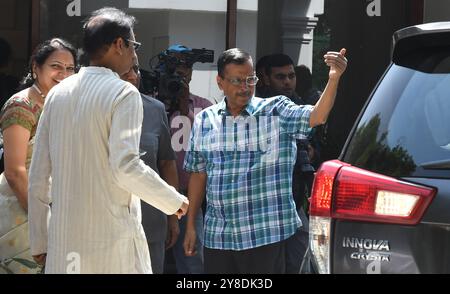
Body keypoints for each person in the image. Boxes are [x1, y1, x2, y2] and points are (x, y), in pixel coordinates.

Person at [28, 7, 188, 274]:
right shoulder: (123, 93)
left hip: (65, 245)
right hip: (111, 245)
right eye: (134, 45)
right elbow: (125, 166)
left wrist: (40, 240)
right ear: (118, 45)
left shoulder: (57, 94)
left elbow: (39, 176)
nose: (135, 54)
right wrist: (173, 200)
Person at [183, 47, 347, 274]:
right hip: (218, 236)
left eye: (250, 80)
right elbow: (198, 173)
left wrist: (334, 78)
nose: (245, 87)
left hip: (264, 232)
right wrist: (191, 225)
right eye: (237, 80)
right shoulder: (204, 120)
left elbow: (317, 115)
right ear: (220, 82)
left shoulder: (276, 110)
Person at [0, 38, 77, 274]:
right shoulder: (21, 104)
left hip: (53, 212)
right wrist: (43, 221)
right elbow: (14, 171)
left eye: (70, 69)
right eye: (56, 66)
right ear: (36, 68)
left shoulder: (64, 105)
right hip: (20, 214)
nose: (63, 74)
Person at [120, 60, 180, 274]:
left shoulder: (155, 109)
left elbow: (167, 163)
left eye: (136, 69)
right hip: (109, 222)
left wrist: (172, 216)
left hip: (150, 220)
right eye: (125, 70)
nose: (132, 75)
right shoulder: (95, 107)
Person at [263, 53, 317, 273]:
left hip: (295, 200)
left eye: (291, 76)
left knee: (300, 263)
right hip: (265, 205)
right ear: (265, 79)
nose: (287, 82)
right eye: (280, 77)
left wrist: (310, 151)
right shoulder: (258, 109)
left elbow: (314, 147)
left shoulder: (301, 105)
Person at [163, 45, 212, 274]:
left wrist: (185, 108)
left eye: (185, 69)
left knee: (192, 261)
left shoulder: (204, 108)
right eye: (175, 69)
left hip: (189, 197)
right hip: (153, 194)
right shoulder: (152, 105)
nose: (181, 74)